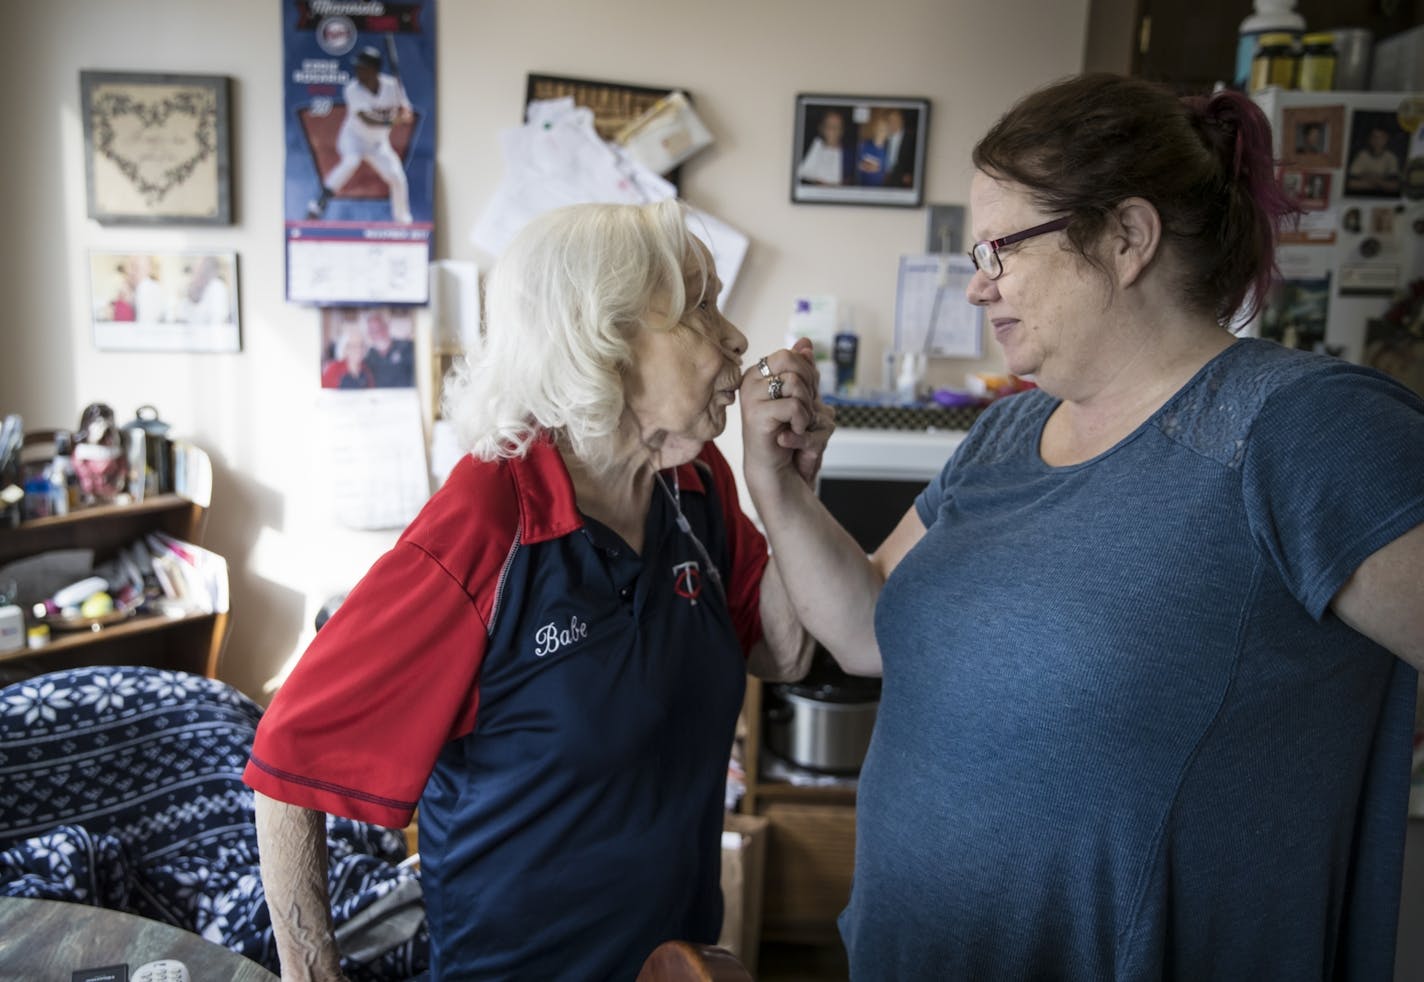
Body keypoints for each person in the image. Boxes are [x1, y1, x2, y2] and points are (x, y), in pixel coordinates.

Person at [739, 73, 1424, 979]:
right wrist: (781, 490)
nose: (978, 290)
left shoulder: (1300, 430)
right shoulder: (1010, 429)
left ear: (1128, 237)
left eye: (1000, 251)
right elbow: (869, 625)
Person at [246, 199, 831, 979]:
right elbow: (288, 764)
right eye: (698, 306)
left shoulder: (695, 484)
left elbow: (784, 654)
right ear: (603, 340)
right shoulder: (488, 520)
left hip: (675, 962)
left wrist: (787, 489)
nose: (734, 337)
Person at [306, 46, 414, 224]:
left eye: (363, 67)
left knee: (397, 177)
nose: (359, 71)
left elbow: (407, 113)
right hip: (353, 138)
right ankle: (319, 204)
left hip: (378, 144)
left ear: (374, 69)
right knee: (351, 161)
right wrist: (394, 121)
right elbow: (367, 119)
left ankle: (402, 220)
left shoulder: (393, 86)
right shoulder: (352, 89)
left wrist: (405, 114)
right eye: (358, 67)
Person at [363, 307, 415, 387]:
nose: (377, 333)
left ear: (387, 327)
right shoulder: (369, 357)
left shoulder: (406, 347)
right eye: (372, 330)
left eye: (379, 328)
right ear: (369, 333)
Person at [797, 108, 849, 185]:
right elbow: (803, 173)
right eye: (829, 125)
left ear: (842, 130)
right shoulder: (816, 146)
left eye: (837, 126)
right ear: (821, 128)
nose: (832, 129)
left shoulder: (848, 153)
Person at [1347, 125, 1402, 195]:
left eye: (1381, 137)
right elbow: (1351, 183)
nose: (1377, 140)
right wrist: (1381, 184)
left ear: (1386, 139)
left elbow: (1395, 186)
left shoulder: (1391, 157)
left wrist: (1373, 180)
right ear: (1369, 139)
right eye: (1374, 137)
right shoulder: (1362, 155)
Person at [320, 319, 374, 389]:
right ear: (345, 349)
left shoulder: (367, 370)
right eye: (353, 346)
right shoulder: (333, 369)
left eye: (361, 345)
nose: (358, 349)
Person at [177, 256, 230, 324]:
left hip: (211, 331)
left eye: (203, 269)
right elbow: (182, 314)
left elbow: (218, 317)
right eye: (198, 269)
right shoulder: (192, 286)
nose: (198, 272)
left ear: (213, 271)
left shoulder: (217, 287)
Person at [882, 108, 917, 188]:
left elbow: (916, 157)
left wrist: (910, 173)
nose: (893, 123)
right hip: (884, 178)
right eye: (890, 120)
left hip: (903, 178)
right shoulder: (884, 137)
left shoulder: (912, 137)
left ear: (902, 120)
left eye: (895, 119)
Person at [855, 114, 890, 187]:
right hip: (862, 187)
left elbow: (885, 172)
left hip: (878, 189)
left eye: (883, 129)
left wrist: (868, 166)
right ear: (874, 129)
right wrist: (872, 167)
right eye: (878, 127)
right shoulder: (863, 145)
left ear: (887, 133)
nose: (879, 131)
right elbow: (857, 165)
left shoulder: (888, 151)